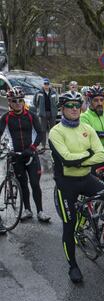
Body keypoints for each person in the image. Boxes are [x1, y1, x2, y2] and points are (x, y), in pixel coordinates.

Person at [49, 91, 104, 283]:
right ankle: (73, 266)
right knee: (69, 224)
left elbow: (100, 154)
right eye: (70, 105)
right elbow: (65, 158)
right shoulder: (56, 132)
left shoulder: (86, 128)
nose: (75, 109)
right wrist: (86, 155)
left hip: (86, 177)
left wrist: (79, 160)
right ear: (62, 108)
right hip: (66, 184)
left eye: (77, 105)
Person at [0, 87, 51, 222]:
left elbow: (40, 133)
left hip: (30, 155)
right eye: (14, 101)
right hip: (16, 156)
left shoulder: (30, 115)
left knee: (35, 184)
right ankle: (27, 210)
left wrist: (32, 148)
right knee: (23, 184)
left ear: (23, 101)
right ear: (9, 102)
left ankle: (40, 211)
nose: (18, 103)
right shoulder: (5, 118)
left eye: (20, 100)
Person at [34, 78, 59, 151]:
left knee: (53, 130)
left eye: (47, 84)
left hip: (52, 113)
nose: (46, 85)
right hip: (42, 114)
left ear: (49, 85)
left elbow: (57, 101)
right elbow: (35, 102)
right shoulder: (39, 92)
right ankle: (43, 145)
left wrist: (55, 110)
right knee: (43, 130)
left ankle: (53, 145)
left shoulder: (54, 92)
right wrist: (39, 109)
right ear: (43, 85)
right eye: (45, 84)